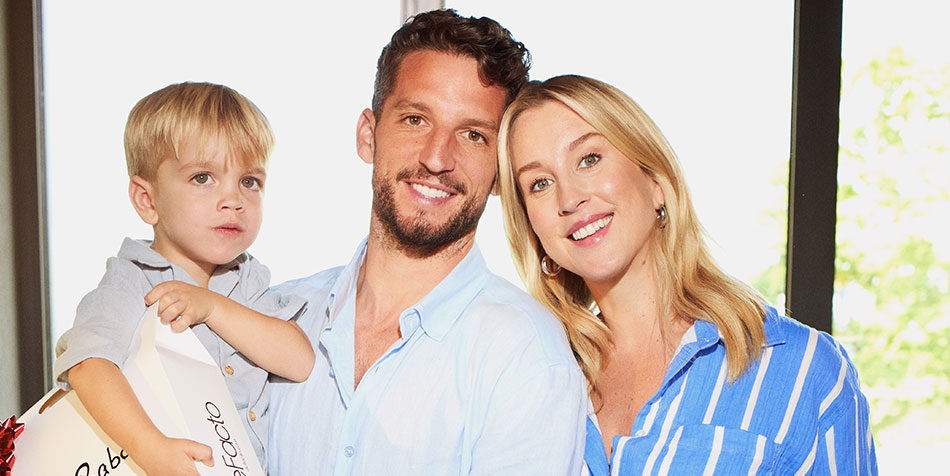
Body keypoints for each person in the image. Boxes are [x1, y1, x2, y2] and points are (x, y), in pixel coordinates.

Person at [496, 74, 878, 475]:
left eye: (589, 159)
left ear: (655, 181)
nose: (570, 198)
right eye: (539, 183)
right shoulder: (532, 381)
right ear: (533, 229)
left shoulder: (803, 368)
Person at [266, 9, 586, 476]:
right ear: (368, 135)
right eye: (415, 119)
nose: (437, 159)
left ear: (500, 171)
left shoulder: (527, 357)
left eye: (473, 135)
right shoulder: (277, 312)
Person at [53, 82, 316, 476]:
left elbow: (299, 362)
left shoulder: (246, 279)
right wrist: (151, 448)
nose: (233, 200)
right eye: (202, 178)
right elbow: (88, 365)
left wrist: (212, 308)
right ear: (147, 200)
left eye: (249, 181)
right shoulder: (133, 279)